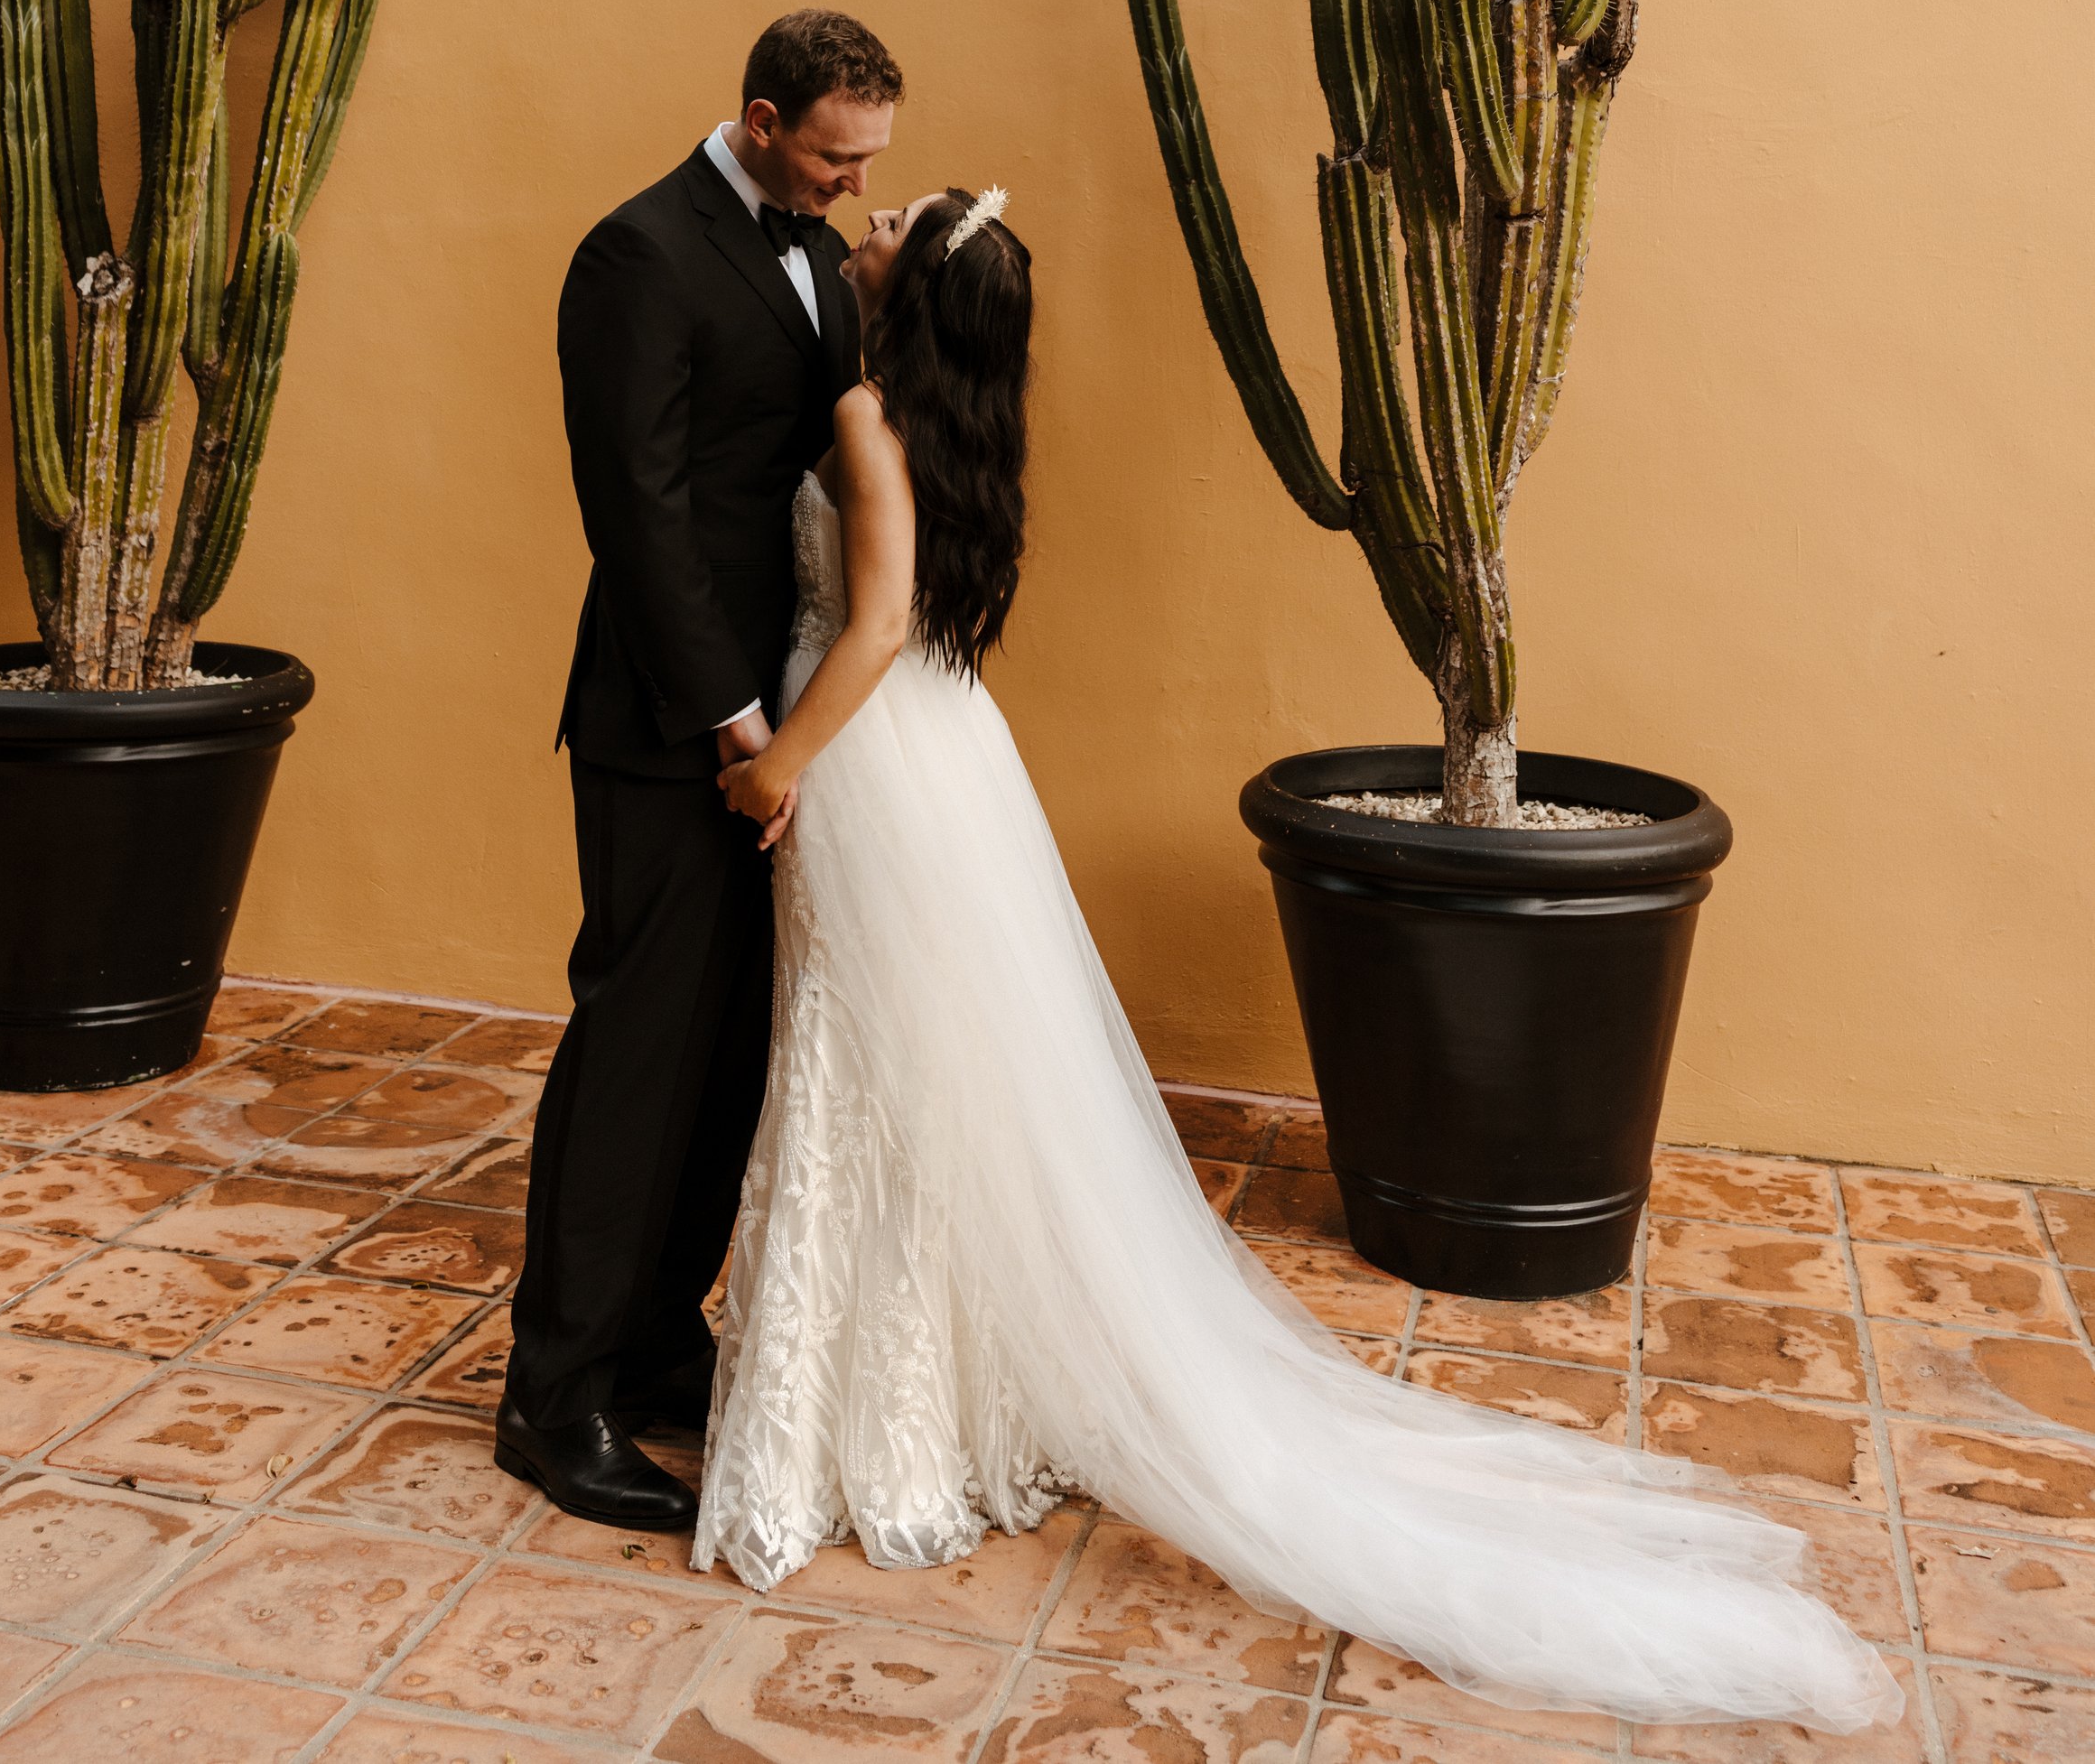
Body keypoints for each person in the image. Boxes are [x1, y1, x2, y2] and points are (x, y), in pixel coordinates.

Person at [696, 185, 1901, 1736]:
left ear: (910, 293)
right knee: (912, 1074)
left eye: (895, 223)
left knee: (868, 1066)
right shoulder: (958, 427)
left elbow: (864, 629)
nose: (866, 225)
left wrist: (772, 765)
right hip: (944, 760)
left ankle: (871, 1427)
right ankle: (929, 1398)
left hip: (864, 753)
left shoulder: (864, 412)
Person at [497, 9, 904, 1531]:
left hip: (781, 734)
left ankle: (663, 1333)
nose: (850, 185)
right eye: (828, 153)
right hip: (673, 727)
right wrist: (737, 720)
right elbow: (639, 511)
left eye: (871, 161)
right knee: (638, 1054)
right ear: (756, 114)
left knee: (730, 1053)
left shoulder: (812, 246)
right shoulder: (638, 254)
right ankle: (556, 1397)